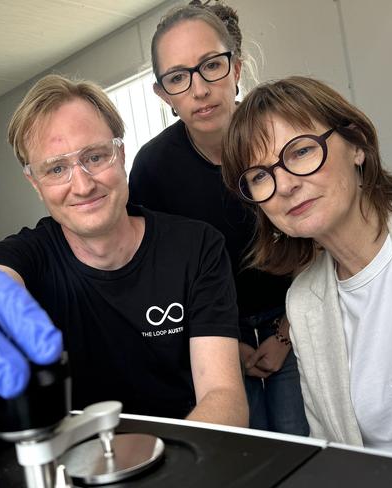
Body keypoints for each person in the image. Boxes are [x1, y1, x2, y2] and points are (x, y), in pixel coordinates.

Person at [0, 74, 248, 427]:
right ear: (34, 183)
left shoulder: (196, 246)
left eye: (95, 157)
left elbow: (223, 395)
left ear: (121, 153)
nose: (82, 185)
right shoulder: (27, 257)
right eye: (56, 169)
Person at [220, 75, 392, 467]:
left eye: (300, 152)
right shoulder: (305, 304)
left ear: (357, 144)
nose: (285, 184)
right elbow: (334, 452)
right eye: (259, 176)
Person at [128, 0, 308, 434]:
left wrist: (285, 334)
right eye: (177, 77)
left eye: (211, 65)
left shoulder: (280, 138)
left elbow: (315, 241)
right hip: (210, 335)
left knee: (300, 441)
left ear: (236, 68)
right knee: (242, 454)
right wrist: (224, 345)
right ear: (163, 93)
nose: (199, 89)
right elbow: (158, 272)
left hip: (297, 316)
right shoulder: (153, 168)